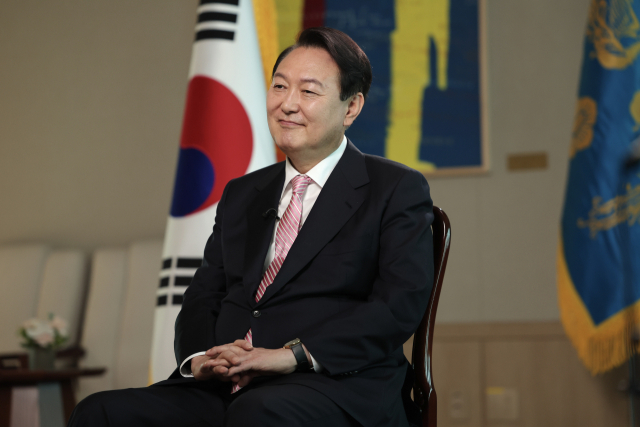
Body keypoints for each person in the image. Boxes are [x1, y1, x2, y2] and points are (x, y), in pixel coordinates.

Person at [69, 27, 434, 427]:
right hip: (226, 384)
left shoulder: (394, 188)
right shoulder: (243, 193)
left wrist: (290, 356)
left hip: (333, 384)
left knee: (258, 412)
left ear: (351, 107)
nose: (287, 104)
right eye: (279, 86)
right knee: (100, 411)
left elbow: (399, 305)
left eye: (308, 91)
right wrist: (202, 358)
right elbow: (205, 294)